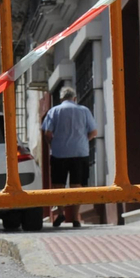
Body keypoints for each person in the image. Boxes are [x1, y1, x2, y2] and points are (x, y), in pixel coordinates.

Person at [41, 85, 98, 229]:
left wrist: (52, 144)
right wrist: (84, 141)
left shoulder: (54, 111)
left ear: (61, 99)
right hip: (80, 153)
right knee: (77, 186)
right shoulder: (84, 110)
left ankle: (61, 213)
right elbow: (94, 132)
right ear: (75, 98)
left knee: (58, 185)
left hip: (59, 153)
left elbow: (47, 133)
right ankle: (75, 217)